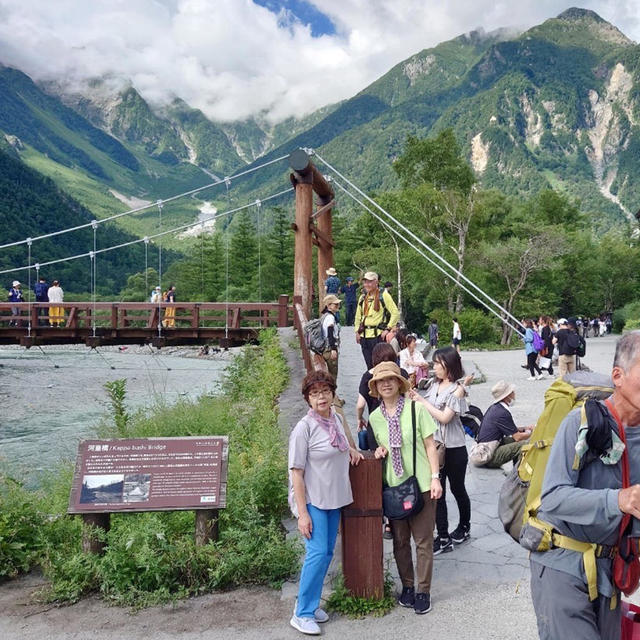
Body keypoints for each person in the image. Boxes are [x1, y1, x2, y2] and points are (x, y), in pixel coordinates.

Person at [530, 331, 640, 640]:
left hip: (612, 572)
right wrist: (618, 500)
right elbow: (551, 497)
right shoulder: (582, 422)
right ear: (618, 375)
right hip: (562, 563)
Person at [288, 370, 362, 635]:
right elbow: (296, 472)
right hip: (314, 500)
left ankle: (310, 602)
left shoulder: (337, 420)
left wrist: (352, 451)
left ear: (332, 394)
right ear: (308, 399)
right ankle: (302, 613)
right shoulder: (304, 428)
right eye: (315, 393)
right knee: (317, 554)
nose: (321, 397)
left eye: (325, 391)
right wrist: (302, 514)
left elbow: (343, 447)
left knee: (326, 554)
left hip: (334, 498)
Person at [369, 362, 442, 614]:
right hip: (394, 487)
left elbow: (431, 445)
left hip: (421, 483)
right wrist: (378, 451)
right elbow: (379, 447)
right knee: (400, 542)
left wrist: (435, 477)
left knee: (423, 541)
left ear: (399, 383)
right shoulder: (374, 418)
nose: (386, 384)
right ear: (376, 388)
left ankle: (423, 590)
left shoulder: (416, 409)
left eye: (391, 379)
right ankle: (408, 586)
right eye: (381, 381)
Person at [410, 347, 470, 554]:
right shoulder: (432, 385)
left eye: (438, 363)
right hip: (435, 446)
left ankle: (464, 527)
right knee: (438, 493)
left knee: (458, 489)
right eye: (434, 363)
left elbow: (445, 417)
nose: (434, 367)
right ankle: (443, 536)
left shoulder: (456, 389)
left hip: (454, 447)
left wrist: (422, 402)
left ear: (449, 366)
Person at [470, 381, 532, 468]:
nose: (514, 394)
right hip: (488, 456)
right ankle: (518, 472)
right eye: (512, 392)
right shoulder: (502, 413)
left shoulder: (495, 408)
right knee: (524, 444)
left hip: (486, 448)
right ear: (507, 396)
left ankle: (517, 468)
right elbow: (518, 437)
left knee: (517, 441)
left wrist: (525, 428)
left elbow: (511, 429)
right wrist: (532, 432)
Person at [354, 271, 400, 369]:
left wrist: (388, 329)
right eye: (365, 282)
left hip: (378, 335)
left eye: (370, 282)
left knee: (380, 365)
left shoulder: (383, 295)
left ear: (376, 282)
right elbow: (358, 316)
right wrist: (357, 331)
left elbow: (395, 313)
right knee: (369, 366)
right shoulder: (363, 297)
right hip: (364, 335)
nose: (367, 284)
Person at [320, 294, 341, 382]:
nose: (337, 306)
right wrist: (333, 348)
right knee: (332, 375)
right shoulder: (330, 317)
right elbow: (330, 333)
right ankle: (332, 394)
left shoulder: (324, 316)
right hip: (329, 349)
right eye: (335, 304)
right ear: (328, 306)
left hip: (325, 347)